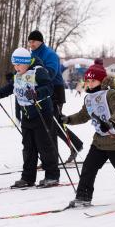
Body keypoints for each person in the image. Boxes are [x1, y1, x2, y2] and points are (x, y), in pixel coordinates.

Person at [61, 64, 115, 207]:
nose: (89, 84)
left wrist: (111, 123)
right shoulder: (89, 98)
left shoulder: (111, 94)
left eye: (93, 81)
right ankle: (83, 196)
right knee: (88, 168)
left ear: (101, 81)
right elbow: (83, 115)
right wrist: (68, 119)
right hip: (100, 141)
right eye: (87, 81)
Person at [0, 48, 59, 188]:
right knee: (28, 148)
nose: (16, 68)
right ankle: (28, 177)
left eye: (19, 65)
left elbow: (49, 87)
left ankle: (52, 176)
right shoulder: (19, 74)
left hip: (41, 114)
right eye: (14, 65)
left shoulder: (38, 71)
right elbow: (12, 87)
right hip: (27, 116)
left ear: (26, 62)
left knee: (44, 146)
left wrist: (37, 93)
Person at [27, 30, 84, 163]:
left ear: (40, 41)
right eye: (29, 41)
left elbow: (51, 73)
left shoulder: (50, 54)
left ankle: (53, 157)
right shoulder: (31, 54)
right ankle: (74, 145)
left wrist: (37, 78)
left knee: (52, 123)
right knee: (51, 123)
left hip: (54, 90)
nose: (31, 44)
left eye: (33, 41)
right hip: (40, 90)